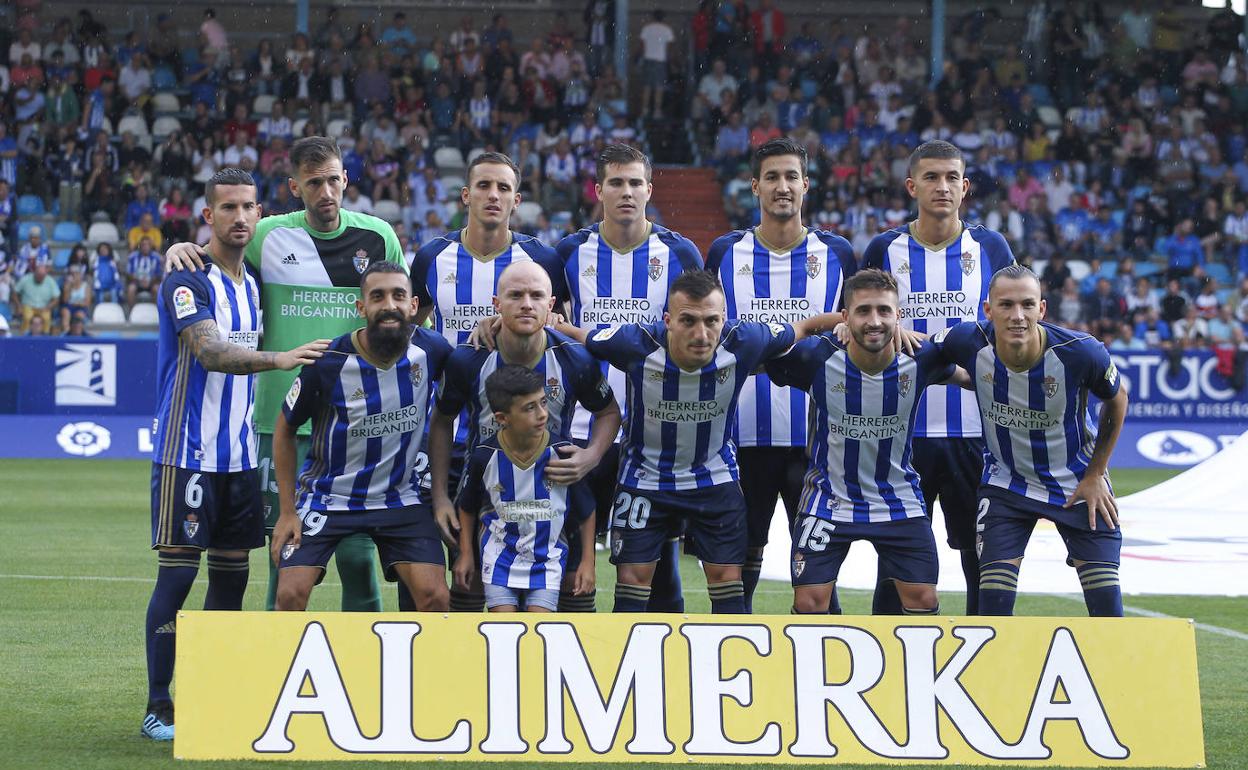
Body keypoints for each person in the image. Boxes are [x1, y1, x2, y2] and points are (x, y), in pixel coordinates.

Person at [164, 136, 406, 613]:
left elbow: (400, 316)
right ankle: (280, 656)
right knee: (285, 552)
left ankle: (365, 658)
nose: (326, 192)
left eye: (333, 180)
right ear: (295, 187)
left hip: (356, 422)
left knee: (358, 558)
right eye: (313, 183)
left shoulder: (379, 237)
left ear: (346, 179)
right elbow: (220, 250)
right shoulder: (268, 235)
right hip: (281, 420)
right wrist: (183, 247)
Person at [142, 168, 329, 741]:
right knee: (177, 579)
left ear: (259, 212)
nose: (240, 216)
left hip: (239, 458)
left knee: (231, 580)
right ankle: (158, 705)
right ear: (209, 216)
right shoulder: (187, 280)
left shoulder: (253, 284)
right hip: (187, 454)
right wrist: (280, 359)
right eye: (228, 207)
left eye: (248, 206)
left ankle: (209, 698)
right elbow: (211, 352)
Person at [559, 269, 843, 613]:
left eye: (711, 321)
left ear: (724, 318)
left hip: (714, 479)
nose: (701, 333)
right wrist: (551, 321)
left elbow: (805, 327)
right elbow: (582, 337)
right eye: (688, 321)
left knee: (728, 585)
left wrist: (849, 323)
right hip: (645, 481)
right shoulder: (634, 342)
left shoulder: (746, 340)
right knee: (632, 584)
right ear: (668, 321)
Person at [860, 139, 1016, 615]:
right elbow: (861, 322)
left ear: (965, 187)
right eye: (931, 177)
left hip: (975, 430)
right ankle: (888, 652)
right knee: (897, 564)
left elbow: (1011, 325)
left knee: (980, 559)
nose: (942, 186)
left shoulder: (990, 247)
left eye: (952, 178)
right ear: (912, 186)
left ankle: (986, 650)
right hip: (901, 432)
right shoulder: (884, 248)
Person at [410, 151, 566, 612]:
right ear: (466, 195)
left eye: (503, 188)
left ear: (516, 200)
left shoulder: (541, 258)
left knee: (511, 566)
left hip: (514, 439)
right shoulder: (432, 257)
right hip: (444, 431)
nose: (492, 195)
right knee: (437, 574)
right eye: (483, 186)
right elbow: (413, 331)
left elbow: (555, 326)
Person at [705, 137, 856, 613]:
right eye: (771, 177)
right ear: (755, 186)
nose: (782, 186)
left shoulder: (838, 253)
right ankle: (733, 647)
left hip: (815, 442)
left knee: (816, 572)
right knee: (740, 563)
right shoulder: (725, 253)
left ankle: (824, 652)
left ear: (806, 184)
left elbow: (858, 325)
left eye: (792, 176)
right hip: (739, 438)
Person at [930, 265, 1129, 617]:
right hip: (1007, 485)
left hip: (1077, 484)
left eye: (1027, 304)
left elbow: (1117, 400)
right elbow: (921, 349)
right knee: (993, 606)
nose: (1017, 315)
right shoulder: (967, 340)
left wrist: (1096, 473)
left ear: (1042, 309)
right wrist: (957, 375)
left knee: (1107, 612)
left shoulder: (1081, 352)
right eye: (1006, 305)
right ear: (988, 310)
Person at [767, 268, 966, 615]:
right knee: (809, 603)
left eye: (884, 311)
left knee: (923, 599)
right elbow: (758, 357)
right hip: (828, 498)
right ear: (845, 317)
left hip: (898, 498)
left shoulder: (921, 357)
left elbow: (975, 377)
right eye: (863, 311)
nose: (874, 321)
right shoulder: (815, 357)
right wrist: (824, 325)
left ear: (898, 316)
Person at [557, 143, 704, 612]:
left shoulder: (679, 252)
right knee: (572, 568)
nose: (626, 192)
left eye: (635, 183)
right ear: (598, 190)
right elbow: (548, 325)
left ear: (649, 190)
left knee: (659, 569)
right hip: (582, 428)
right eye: (616, 183)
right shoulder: (569, 252)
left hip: (655, 432)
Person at [430, 260, 620, 611]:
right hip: (485, 496)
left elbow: (609, 412)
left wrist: (591, 455)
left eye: (536, 296)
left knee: (574, 597)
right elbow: (441, 421)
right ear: (496, 304)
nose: (526, 304)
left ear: (551, 305)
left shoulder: (574, 359)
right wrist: (441, 497)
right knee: (468, 591)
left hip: (556, 497)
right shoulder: (468, 360)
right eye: (515, 295)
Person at [270, 262, 454, 612]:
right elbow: (285, 429)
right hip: (327, 497)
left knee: (437, 597)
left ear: (413, 305)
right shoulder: (327, 362)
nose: (389, 305)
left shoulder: (433, 351)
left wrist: (441, 497)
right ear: (361, 307)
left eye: (398, 296)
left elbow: (450, 411)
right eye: (377, 296)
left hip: (401, 498)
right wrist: (287, 511)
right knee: (289, 595)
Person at [453, 365, 598, 612]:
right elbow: (467, 507)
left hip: (547, 562)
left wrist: (588, 562)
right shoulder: (484, 457)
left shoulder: (563, 455)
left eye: (543, 402)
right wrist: (466, 553)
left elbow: (587, 511)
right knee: (505, 630)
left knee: (538, 627)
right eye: (530, 408)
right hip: (499, 560)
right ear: (502, 418)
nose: (542, 414)